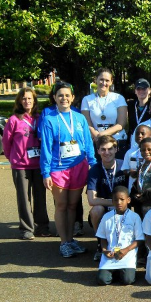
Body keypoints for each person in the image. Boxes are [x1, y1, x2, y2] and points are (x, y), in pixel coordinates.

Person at [39, 81, 96, 259]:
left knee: (73, 206)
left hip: (78, 166)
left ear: (72, 98)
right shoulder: (49, 119)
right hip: (58, 168)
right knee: (62, 205)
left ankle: (71, 240)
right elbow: (46, 148)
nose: (64, 98)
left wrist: (93, 163)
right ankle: (63, 242)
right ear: (54, 98)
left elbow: (88, 142)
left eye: (67, 95)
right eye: (60, 95)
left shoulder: (79, 118)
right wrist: (46, 172)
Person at [2, 87, 51, 239]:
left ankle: (42, 227)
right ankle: (26, 229)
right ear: (19, 101)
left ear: (34, 101)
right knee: (24, 198)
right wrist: (13, 158)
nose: (27, 101)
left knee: (40, 197)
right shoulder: (14, 120)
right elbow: (6, 143)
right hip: (21, 166)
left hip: (38, 165)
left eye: (30, 98)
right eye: (24, 98)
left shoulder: (40, 118)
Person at [86, 134, 130, 260]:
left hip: (123, 208)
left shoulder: (124, 166)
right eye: (103, 149)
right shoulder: (94, 170)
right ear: (98, 151)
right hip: (106, 209)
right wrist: (114, 202)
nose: (107, 152)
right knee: (96, 210)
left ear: (116, 149)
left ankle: (129, 245)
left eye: (110, 149)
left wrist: (121, 204)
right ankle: (100, 245)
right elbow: (91, 200)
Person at [96, 185, 144, 286]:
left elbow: (139, 239)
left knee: (128, 280)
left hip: (127, 254)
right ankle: (115, 272)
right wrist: (104, 250)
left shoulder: (135, 217)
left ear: (128, 200)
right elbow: (102, 237)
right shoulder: (106, 217)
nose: (119, 202)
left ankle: (122, 271)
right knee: (102, 280)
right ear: (112, 201)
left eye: (122, 199)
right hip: (111, 254)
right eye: (115, 200)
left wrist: (126, 250)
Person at [80, 68, 128, 149]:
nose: (104, 83)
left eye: (107, 80)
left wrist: (102, 135)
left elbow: (121, 124)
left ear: (111, 82)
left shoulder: (119, 98)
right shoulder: (87, 99)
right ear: (96, 80)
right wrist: (96, 135)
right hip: (96, 142)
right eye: (101, 79)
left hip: (116, 141)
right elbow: (87, 123)